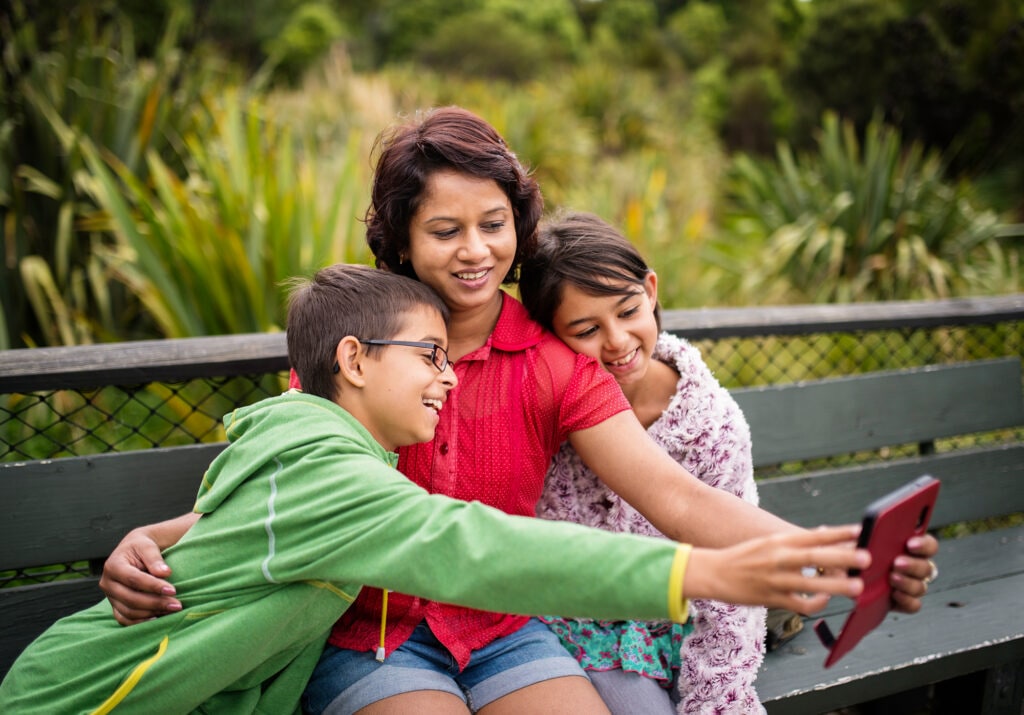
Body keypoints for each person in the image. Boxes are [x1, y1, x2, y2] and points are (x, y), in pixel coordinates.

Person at [97, 107, 939, 715]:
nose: (475, 251)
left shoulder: (553, 358)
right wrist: (156, 540)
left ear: (517, 224)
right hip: (374, 634)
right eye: (445, 230)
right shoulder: (357, 350)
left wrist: (836, 554)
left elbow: (674, 497)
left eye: (493, 224)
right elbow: (282, 491)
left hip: (504, 629)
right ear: (400, 240)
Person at [0, 263, 875, 714]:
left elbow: (254, 520)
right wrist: (711, 576)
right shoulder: (332, 454)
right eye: (427, 360)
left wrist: (814, 555)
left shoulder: (323, 440)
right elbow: (474, 543)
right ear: (352, 360)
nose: (448, 378)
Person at [520, 210, 765, 713]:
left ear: (650, 291)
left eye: (628, 311)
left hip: (674, 623)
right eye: (586, 328)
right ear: (549, 337)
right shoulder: (546, 409)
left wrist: (719, 697)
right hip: (568, 626)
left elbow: (730, 584)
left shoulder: (711, 426)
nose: (617, 341)